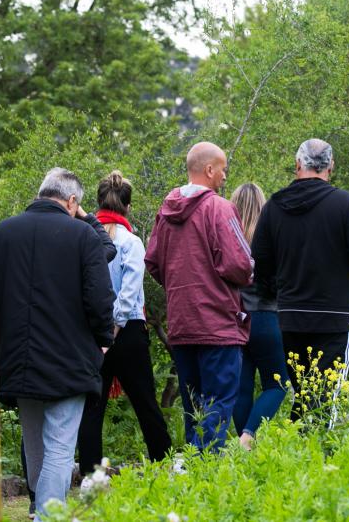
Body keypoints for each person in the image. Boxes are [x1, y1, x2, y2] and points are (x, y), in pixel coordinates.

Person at [0, 168, 115, 520]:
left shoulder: (2, 233)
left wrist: (3, 330)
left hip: (17, 356)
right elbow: (99, 298)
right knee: (60, 447)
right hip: (71, 356)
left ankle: (41, 509)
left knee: (34, 443)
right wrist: (102, 339)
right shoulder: (83, 236)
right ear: (72, 202)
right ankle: (48, 517)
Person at [251, 139, 349, 423]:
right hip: (334, 316)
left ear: (297, 165)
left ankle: (298, 456)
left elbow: (260, 262)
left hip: (290, 315)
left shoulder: (273, 206)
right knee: (324, 399)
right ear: (331, 166)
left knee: (304, 393)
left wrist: (280, 291)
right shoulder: (344, 204)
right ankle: (320, 458)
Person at [144, 141, 253, 451]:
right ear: (209, 169)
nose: (224, 176)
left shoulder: (165, 212)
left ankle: (193, 469)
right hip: (217, 322)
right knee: (219, 400)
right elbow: (240, 263)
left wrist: (180, 286)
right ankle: (206, 469)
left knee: (194, 402)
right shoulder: (219, 208)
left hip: (182, 323)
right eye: (222, 170)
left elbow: (152, 261)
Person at [76, 171, 172, 474]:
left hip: (91, 333)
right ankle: (163, 461)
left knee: (93, 406)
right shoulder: (131, 242)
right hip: (128, 331)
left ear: (98, 203)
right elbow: (131, 289)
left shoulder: (83, 238)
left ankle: (91, 472)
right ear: (127, 207)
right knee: (145, 401)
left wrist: (102, 328)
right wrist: (116, 325)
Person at [230, 182, 287, 450]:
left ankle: (244, 444)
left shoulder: (228, 237)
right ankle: (248, 437)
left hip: (235, 318)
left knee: (241, 389)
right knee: (276, 384)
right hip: (266, 317)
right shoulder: (273, 238)